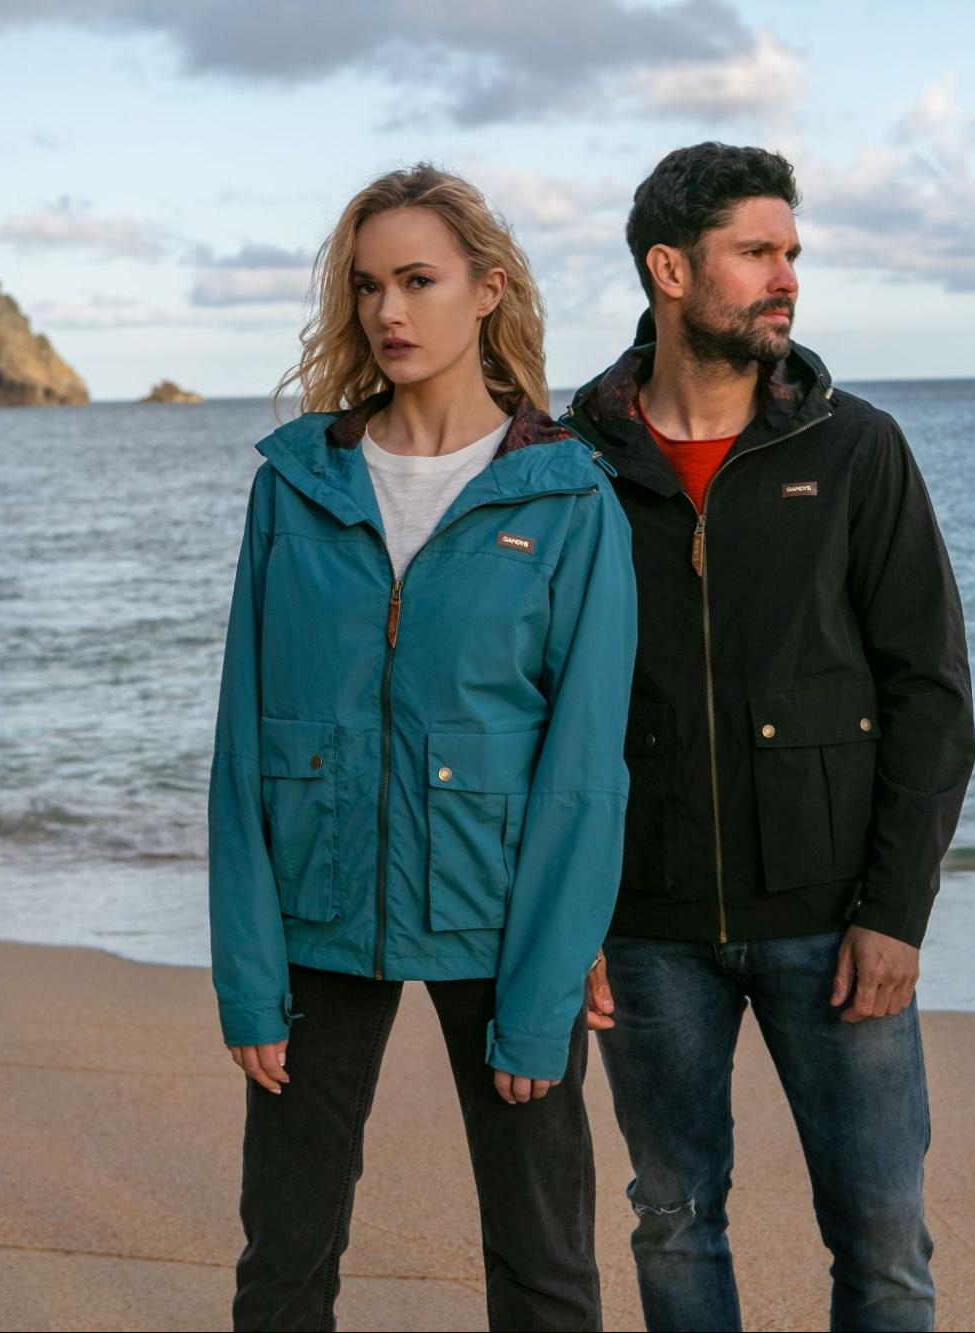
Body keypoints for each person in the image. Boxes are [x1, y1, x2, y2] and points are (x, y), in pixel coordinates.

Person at [206, 163, 637, 1332]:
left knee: (545, 1260)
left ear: (488, 290)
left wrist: (544, 991)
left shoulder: (565, 496)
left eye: (417, 280)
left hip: (498, 921)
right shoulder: (296, 482)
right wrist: (248, 978)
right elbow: (243, 742)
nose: (387, 313)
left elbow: (584, 772)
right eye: (365, 287)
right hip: (316, 915)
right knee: (283, 1252)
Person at [562, 143, 975, 1332]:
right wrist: (565, 922)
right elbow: (533, 705)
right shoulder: (568, 462)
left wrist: (896, 909)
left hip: (835, 922)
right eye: (755, 251)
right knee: (674, 1219)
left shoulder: (854, 449)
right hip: (642, 930)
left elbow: (931, 692)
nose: (784, 276)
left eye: (791, 252)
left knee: (884, 1239)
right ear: (669, 270)